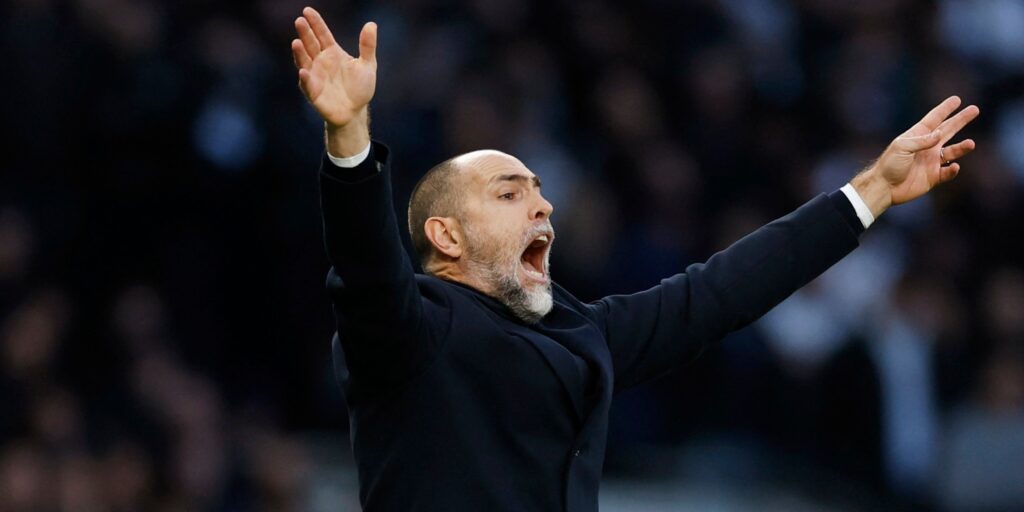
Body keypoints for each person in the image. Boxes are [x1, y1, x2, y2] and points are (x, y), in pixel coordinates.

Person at [289, 7, 979, 511]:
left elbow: (717, 294)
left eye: (540, 191)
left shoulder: (580, 328)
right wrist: (348, 135)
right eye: (509, 192)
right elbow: (368, 271)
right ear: (445, 237)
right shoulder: (414, 328)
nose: (543, 208)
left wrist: (873, 191)